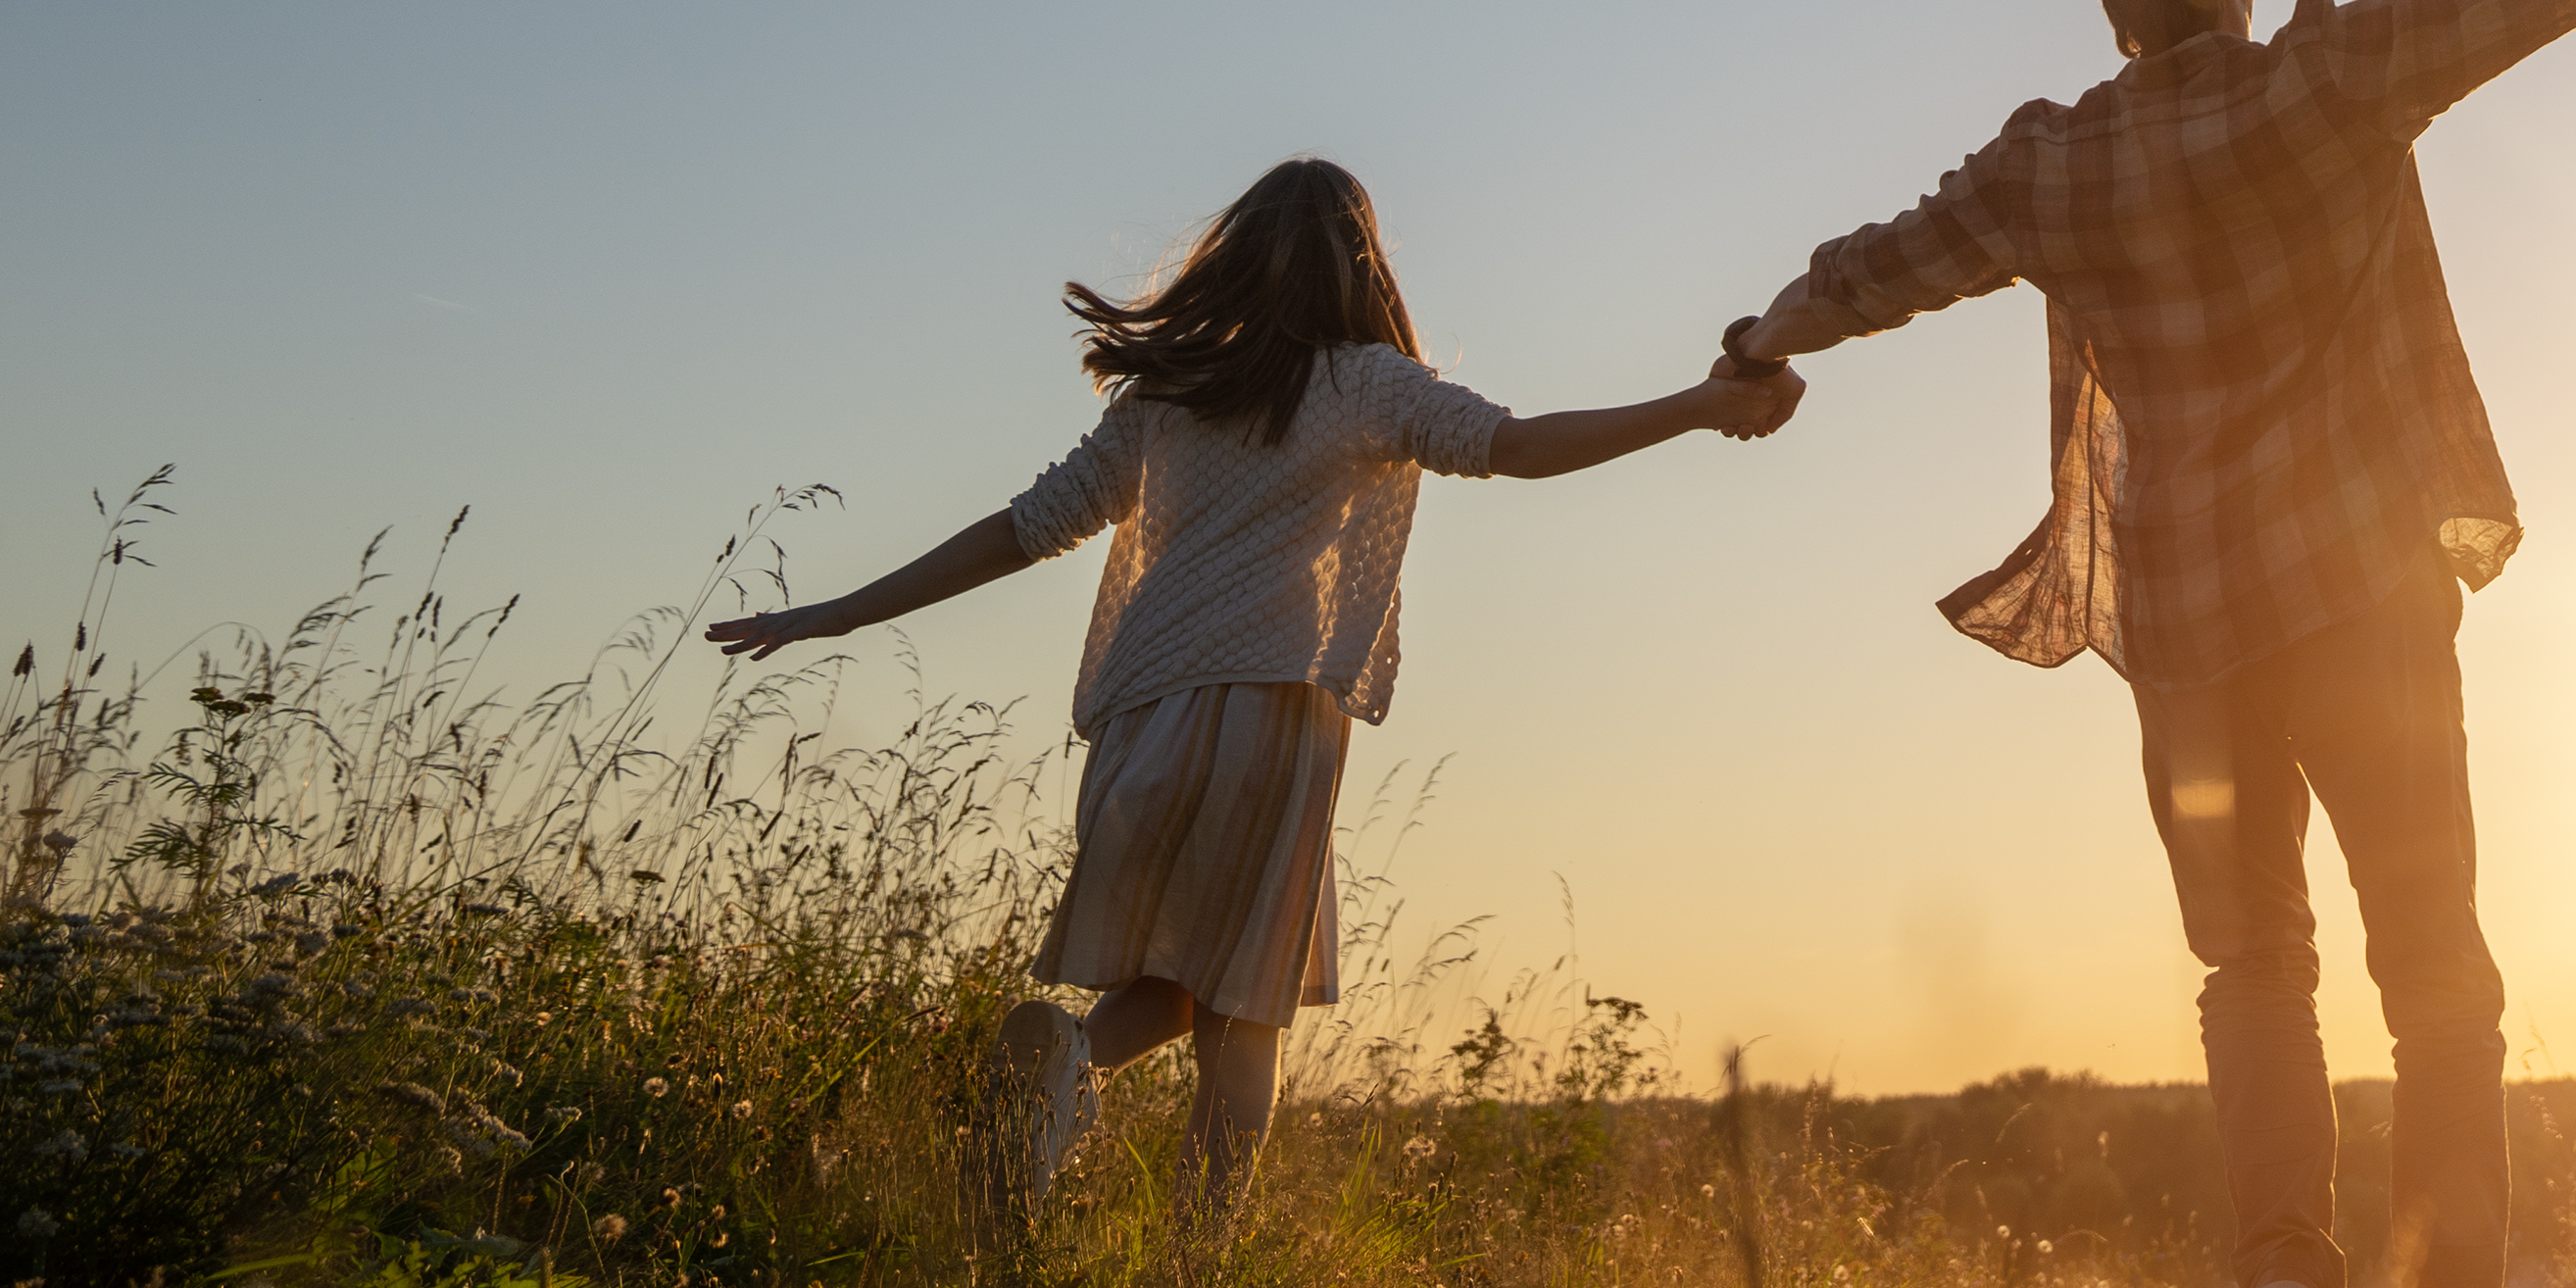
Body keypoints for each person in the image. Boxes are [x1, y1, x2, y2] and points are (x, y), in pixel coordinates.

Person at [1727, 0, 2576, 1288]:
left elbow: (1876, 265)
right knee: (2441, 977)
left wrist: (1761, 333)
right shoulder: (2331, 79)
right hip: (2368, 610)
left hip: (2189, 641)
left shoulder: (2056, 164)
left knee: (2254, 974)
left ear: (2106, 5)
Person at [705, 156, 1797, 1227]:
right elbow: (1518, 446)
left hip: (1140, 719)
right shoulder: (1367, 383)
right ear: (1361, 267)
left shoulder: (1164, 397)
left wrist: (834, 612)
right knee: (1245, 1014)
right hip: (1272, 713)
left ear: (1231, 262)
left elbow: (1020, 530)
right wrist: (1701, 406)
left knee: (1187, 975)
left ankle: (1069, 1061)